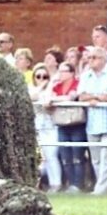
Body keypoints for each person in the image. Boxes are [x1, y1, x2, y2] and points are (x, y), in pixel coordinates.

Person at [77, 46, 107, 195]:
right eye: (89, 58)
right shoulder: (86, 75)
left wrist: (95, 97)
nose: (90, 60)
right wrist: (98, 97)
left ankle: (100, 190)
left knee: (106, 157)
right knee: (96, 159)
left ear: (103, 59)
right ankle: (106, 189)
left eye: (94, 58)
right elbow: (81, 96)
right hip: (92, 123)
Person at [51, 61, 84, 192]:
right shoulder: (57, 86)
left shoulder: (78, 83)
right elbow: (48, 96)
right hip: (62, 123)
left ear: (71, 73)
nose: (61, 74)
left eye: (64, 71)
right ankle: (70, 183)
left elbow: (72, 96)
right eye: (59, 71)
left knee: (77, 156)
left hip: (76, 124)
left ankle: (78, 185)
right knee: (65, 156)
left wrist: (56, 99)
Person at [30, 63, 62, 193]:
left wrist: (48, 85)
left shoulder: (53, 89)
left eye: (45, 76)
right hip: (36, 128)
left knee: (51, 155)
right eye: (38, 76)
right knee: (40, 158)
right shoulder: (31, 88)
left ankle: (56, 184)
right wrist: (42, 86)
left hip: (51, 127)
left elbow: (49, 100)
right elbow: (31, 97)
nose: (42, 78)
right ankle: (39, 183)